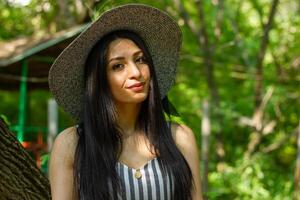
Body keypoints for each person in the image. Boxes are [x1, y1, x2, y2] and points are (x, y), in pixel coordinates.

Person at [48, 4, 202, 200]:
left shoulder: (180, 138)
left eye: (140, 60)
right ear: (98, 80)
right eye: (118, 66)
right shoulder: (72, 144)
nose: (136, 73)